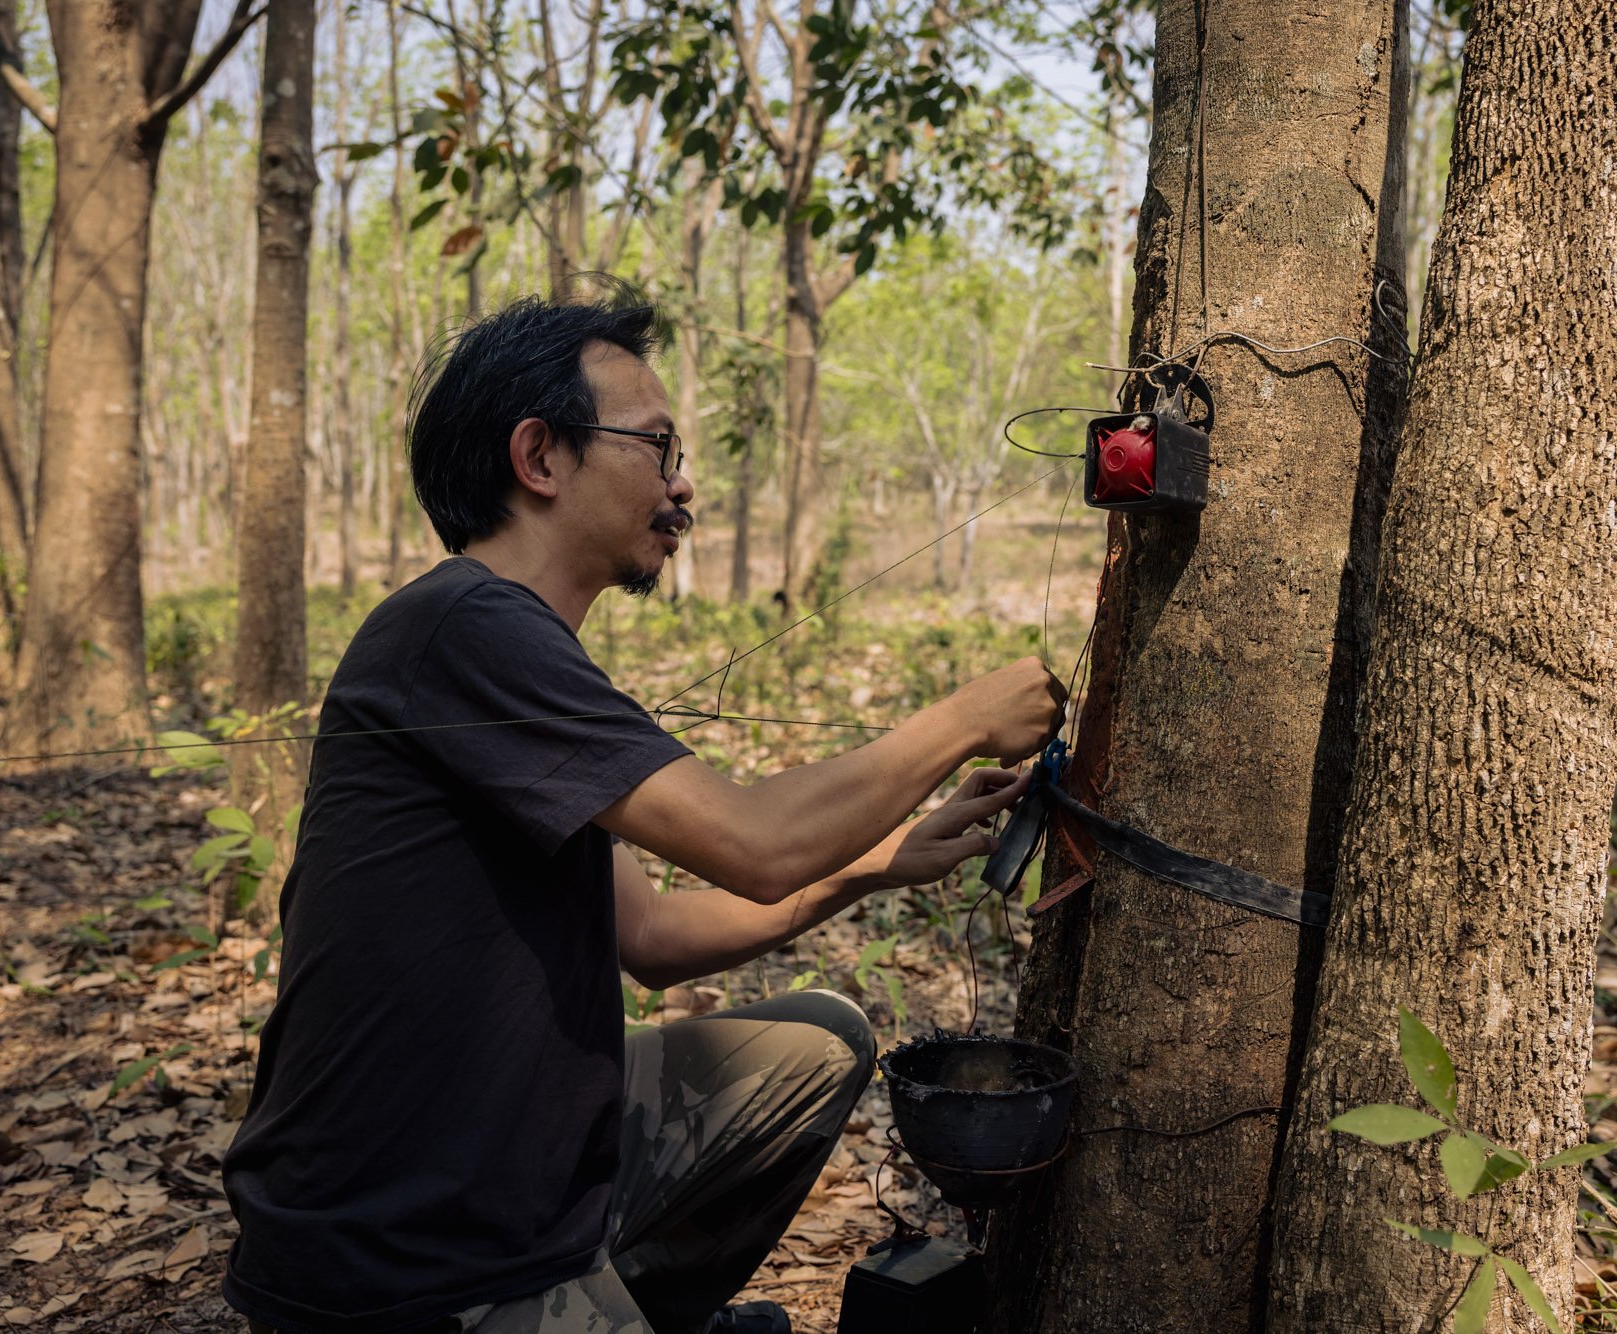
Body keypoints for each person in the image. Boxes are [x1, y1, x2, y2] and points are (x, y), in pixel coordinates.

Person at [220, 284, 1066, 1334]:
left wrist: (874, 860)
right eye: (656, 448)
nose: (683, 484)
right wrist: (963, 717)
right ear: (539, 458)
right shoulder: (461, 626)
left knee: (812, 1041)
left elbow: (654, 935)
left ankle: (646, 1306)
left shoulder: (510, 644)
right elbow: (757, 845)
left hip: (504, 1161)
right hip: (401, 1250)